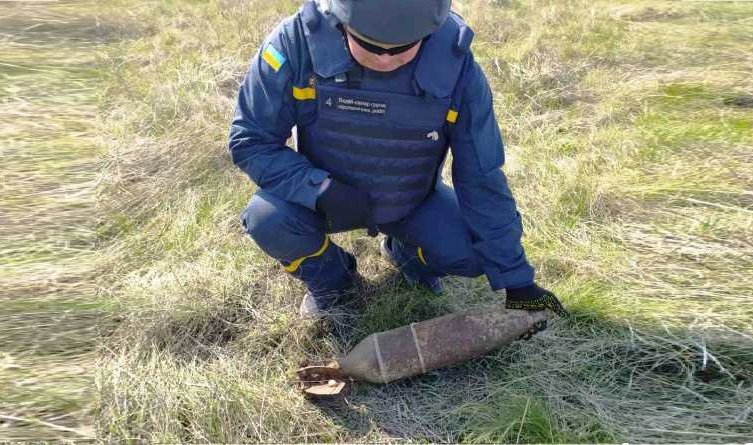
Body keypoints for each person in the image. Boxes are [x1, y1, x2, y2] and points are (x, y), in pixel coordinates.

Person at [229, 0, 569, 328]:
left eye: (402, 47)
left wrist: (517, 280)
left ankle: (408, 256)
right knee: (268, 220)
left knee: (472, 251)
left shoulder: (456, 64)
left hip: (412, 201)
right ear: (342, 21)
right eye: (370, 46)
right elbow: (251, 140)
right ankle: (335, 282)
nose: (386, 59)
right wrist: (317, 188)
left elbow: (481, 174)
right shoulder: (295, 43)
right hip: (324, 197)